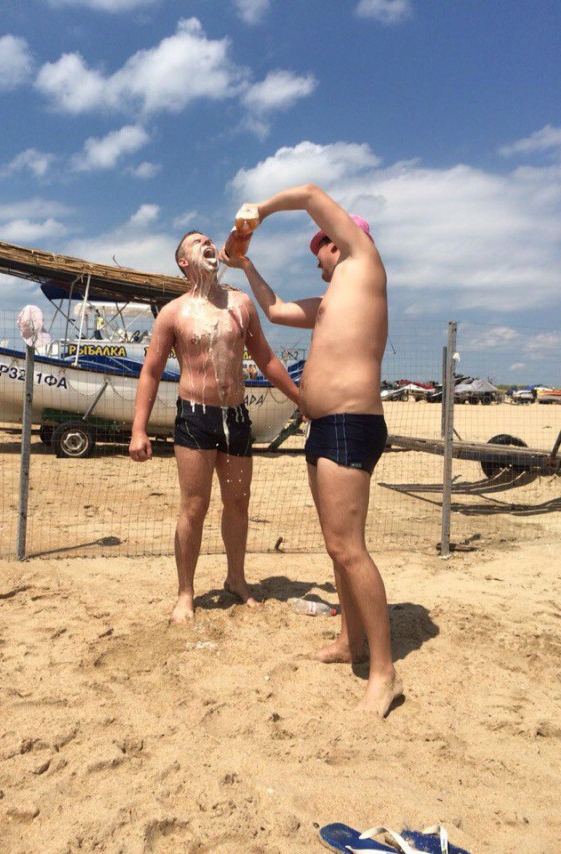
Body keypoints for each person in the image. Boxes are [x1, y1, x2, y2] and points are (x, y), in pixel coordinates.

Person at [220, 185, 403, 717]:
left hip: (351, 423)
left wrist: (258, 212)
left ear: (337, 243)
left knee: (349, 548)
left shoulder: (364, 263)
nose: (315, 260)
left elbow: (309, 194)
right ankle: (350, 640)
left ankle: (384, 674)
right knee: (335, 547)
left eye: (317, 250)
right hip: (324, 425)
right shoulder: (331, 302)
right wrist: (245, 263)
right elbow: (275, 310)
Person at [129, 230, 300, 623]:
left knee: (238, 502)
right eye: (196, 242)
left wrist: (300, 398)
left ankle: (236, 579)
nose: (206, 243)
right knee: (194, 506)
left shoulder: (240, 305)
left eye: (208, 239)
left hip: (235, 416)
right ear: (183, 262)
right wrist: (139, 429)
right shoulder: (174, 313)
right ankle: (185, 592)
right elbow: (151, 371)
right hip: (195, 418)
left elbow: (266, 358)